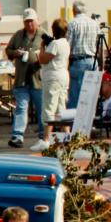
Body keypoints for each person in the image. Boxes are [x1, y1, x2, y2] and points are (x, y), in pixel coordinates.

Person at [5, 8, 45, 148]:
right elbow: (8, 51)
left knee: (41, 108)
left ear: (37, 21)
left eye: (31, 21)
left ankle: (43, 136)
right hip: (21, 79)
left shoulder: (43, 35)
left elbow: (53, 52)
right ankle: (17, 136)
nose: (29, 24)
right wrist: (16, 53)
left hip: (38, 79)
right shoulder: (18, 36)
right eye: (26, 21)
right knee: (21, 108)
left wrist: (40, 57)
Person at [34, 18, 70, 151]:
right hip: (63, 76)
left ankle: (46, 139)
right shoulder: (66, 43)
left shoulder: (55, 44)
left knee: (49, 107)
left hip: (53, 78)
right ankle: (67, 137)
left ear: (54, 30)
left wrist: (42, 47)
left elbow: (43, 59)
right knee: (61, 108)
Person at [65, 1, 99, 108]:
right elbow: (99, 44)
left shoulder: (72, 24)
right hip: (92, 61)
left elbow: (67, 46)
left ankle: (74, 123)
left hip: (78, 62)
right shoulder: (94, 23)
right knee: (90, 97)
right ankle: (89, 123)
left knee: (75, 98)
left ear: (74, 10)